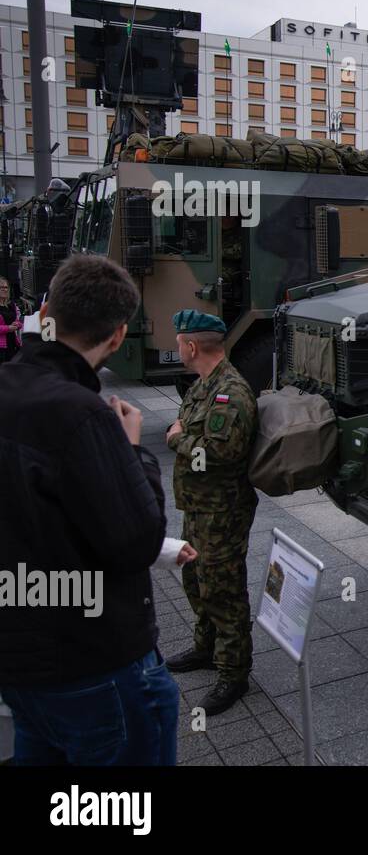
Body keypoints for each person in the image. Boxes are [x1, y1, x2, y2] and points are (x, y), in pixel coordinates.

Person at [0, 254, 179, 764]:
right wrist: (132, 453)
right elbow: (137, 540)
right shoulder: (81, 416)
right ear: (119, 335)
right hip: (95, 666)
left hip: (21, 669)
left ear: (47, 309)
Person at [164, 309, 259, 715]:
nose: (177, 348)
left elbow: (220, 452)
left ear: (190, 346)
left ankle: (234, 673)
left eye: (179, 342)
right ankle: (206, 648)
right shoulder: (204, 385)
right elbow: (190, 426)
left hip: (223, 511)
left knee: (222, 588)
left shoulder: (230, 392)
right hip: (199, 507)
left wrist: (178, 441)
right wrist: (184, 433)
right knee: (195, 577)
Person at [0, 277, 21, 364]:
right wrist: (8, 328)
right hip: (1, 348)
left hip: (12, 343)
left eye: (6, 287)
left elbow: (18, 321)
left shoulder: (11, 304)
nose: (4, 289)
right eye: (1, 287)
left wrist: (17, 324)